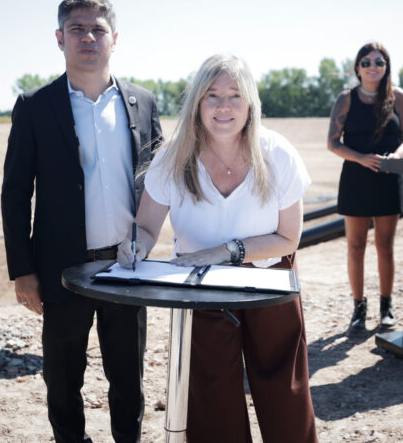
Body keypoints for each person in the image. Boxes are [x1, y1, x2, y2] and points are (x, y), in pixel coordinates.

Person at [117, 54, 317, 443]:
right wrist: (134, 245)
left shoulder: (278, 154)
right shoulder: (172, 157)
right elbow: (145, 227)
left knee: (285, 395)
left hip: (269, 284)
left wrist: (226, 251)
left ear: (250, 105)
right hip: (200, 289)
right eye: (212, 96)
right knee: (211, 400)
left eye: (234, 96)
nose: (223, 107)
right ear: (196, 103)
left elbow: (288, 239)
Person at [1, 0, 162, 443]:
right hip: (62, 268)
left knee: (128, 376)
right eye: (77, 29)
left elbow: (159, 183)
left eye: (98, 29)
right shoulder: (35, 106)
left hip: (127, 267)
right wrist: (24, 271)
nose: (88, 37)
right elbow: (15, 193)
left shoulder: (142, 103)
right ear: (59, 38)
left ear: (115, 39)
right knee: (62, 377)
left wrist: (152, 242)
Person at [326, 42, 403, 334]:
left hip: (389, 177)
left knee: (385, 246)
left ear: (387, 67)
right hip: (356, 177)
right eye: (367, 62)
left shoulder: (398, 97)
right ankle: (358, 309)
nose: (373, 67)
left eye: (379, 62)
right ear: (358, 68)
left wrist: (397, 158)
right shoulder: (346, 99)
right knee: (355, 246)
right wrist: (361, 158)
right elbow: (333, 142)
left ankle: (386, 308)